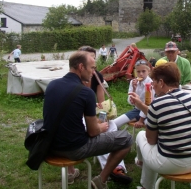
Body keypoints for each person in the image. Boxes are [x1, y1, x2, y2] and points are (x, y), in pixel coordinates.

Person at [43, 51, 133, 188]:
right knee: (126, 138)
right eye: (92, 68)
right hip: (73, 149)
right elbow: (93, 133)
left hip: (49, 146)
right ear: (81, 67)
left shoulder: (52, 85)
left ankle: (73, 173)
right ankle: (101, 180)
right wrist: (101, 128)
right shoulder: (86, 92)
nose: (93, 72)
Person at [129, 62, 191, 189]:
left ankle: (141, 163)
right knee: (154, 147)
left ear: (161, 82)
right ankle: (144, 176)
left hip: (174, 163)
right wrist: (140, 105)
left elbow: (151, 140)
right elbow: (163, 113)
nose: (152, 86)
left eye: (153, 82)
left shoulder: (158, 103)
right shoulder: (190, 98)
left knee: (142, 136)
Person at [79, 46, 132, 184]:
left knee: (111, 126)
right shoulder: (75, 78)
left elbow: (102, 102)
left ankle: (118, 167)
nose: (92, 62)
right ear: (81, 62)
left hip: (92, 114)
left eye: (93, 58)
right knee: (100, 133)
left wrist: (101, 116)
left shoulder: (97, 76)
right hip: (79, 117)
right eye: (89, 58)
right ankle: (113, 169)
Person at [113, 60, 155, 129]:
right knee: (114, 123)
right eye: (138, 72)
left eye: (143, 71)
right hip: (137, 110)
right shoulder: (133, 82)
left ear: (148, 71)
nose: (141, 74)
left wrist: (141, 120)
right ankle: (118, 137)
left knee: (149, 125)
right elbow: (130, 102)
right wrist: (134, 89)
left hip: (149, 112)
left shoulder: (151, 84)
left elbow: (148, 104)